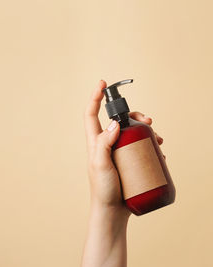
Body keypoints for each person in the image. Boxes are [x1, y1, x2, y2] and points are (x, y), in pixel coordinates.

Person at [81, 80, 164, 267]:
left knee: (143, 129)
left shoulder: (140, 128)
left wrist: (110, 211)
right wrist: (109, 208)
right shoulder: (130, 133)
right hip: (117, 209)